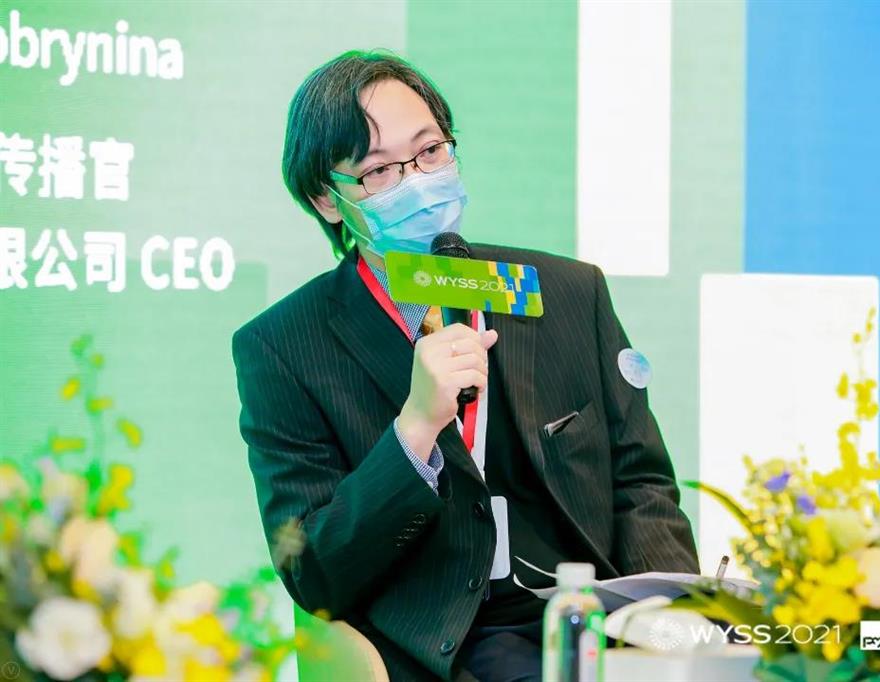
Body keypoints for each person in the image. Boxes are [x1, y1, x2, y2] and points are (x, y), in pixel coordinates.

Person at [231, 50, 699, 682]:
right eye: (380, 171)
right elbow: (313, 572)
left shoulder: (565, 292)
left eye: (430, 152)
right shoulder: (283, 345)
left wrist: (673, 631)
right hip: (437, 645)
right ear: (327, 199)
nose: (418, 182)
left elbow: (639, 482)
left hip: (586, 624)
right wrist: (415, 429)